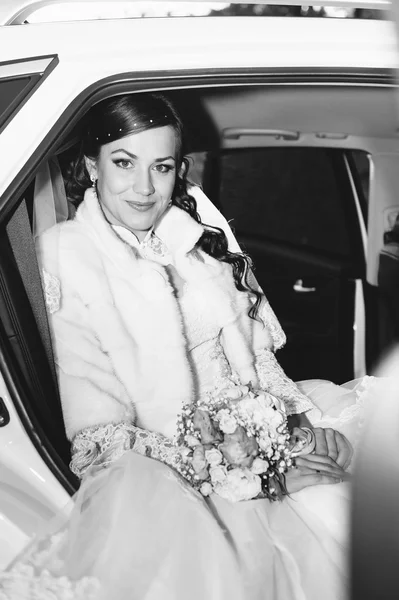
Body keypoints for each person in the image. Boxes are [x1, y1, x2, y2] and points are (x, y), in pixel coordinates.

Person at [0, 92, 374, 600]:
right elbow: (99, 436)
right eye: (124, 163)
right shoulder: (68, 257)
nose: (144, 188)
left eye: (162, 167)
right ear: (91, 166)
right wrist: (255, 473)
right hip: (174, 474)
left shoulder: (195, 230)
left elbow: (255, 354)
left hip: (261, 438)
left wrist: (296, 425)